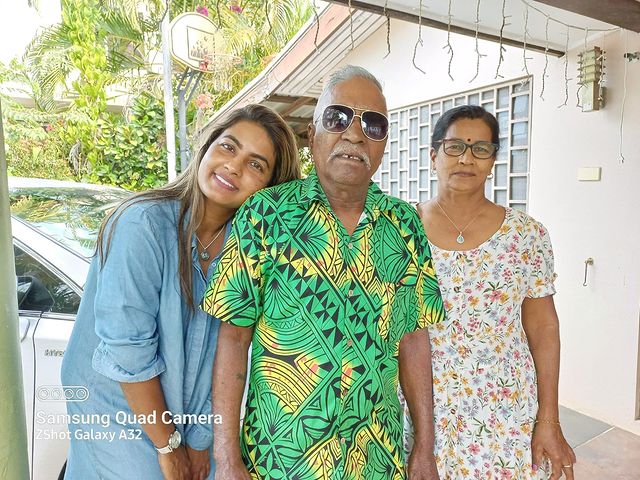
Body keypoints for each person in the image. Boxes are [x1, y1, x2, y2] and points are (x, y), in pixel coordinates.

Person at [202, 65, 445, 480]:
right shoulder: (265, 214)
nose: (354, 134)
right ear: (312, 135)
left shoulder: (405, 224)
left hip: (377, 459)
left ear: (383, 145)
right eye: (338, 118)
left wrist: (424, 447)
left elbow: (414, 339)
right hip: (281, 460)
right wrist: (226, 458)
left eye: (373, 124)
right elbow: (233, 337)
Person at [60, 104, 301, 480]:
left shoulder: (246, 250)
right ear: (206, 147)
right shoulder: (142, 223)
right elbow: (127, 349)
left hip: (188, 423)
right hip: (116, 409)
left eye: (257, 165)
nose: (234, 166)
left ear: (270, 188)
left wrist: (201, 438)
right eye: (228, 147)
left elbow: (225, 352)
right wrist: (168, 446)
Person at [414, 105, 576, 480]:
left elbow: (544, 330)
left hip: (505, 409)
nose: (467, 158)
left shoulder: (526, 234)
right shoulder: (403, 228)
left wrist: (548, 417)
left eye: (481, 149)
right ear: (434, 155)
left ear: (492, 161)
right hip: (425, 410)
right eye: (454, 147)